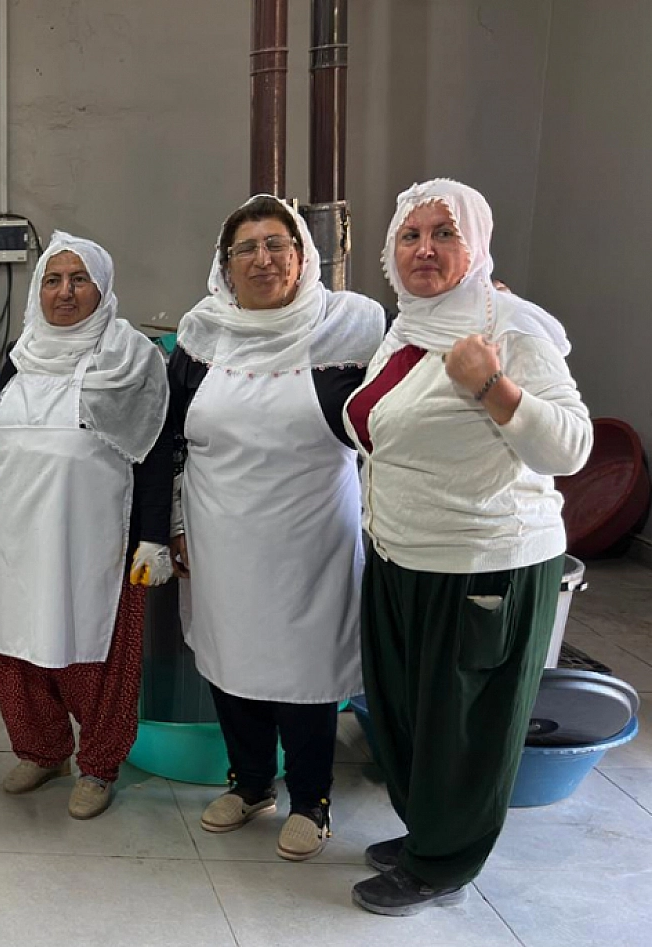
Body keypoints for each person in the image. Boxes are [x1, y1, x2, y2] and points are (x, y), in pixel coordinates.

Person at [346, 179, 591, 915]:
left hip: (483, 561)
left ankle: (443, 861)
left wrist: (494, 386)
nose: (424, 248)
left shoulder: (509, 326)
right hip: (401, 553)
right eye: (410, 235)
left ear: (475, 245)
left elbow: (572, 447)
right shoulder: (410, 323)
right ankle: (432, 829)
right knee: (406, 713)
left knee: (464, 723)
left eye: (444, 233)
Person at [167, 195, 386, 860]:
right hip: (220, 531)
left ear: (303, 256)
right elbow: (170, 438)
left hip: (312, 535)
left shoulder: (353, 330)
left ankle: (312, 799)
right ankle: (251, 781)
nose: (262, 259)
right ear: (225, 264)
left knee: (305, 669)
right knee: (232, 659)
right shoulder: (201, 334)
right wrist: (174, 521)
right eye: (246, 248)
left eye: (277, 245)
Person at [0, 232, 172, 819]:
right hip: (17, 537)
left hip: (97, 541)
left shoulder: (131, 358)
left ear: (103, 287)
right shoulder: (19, 355)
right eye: (52, 279)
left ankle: (98, 765)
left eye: (78, 280)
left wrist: (153, 537)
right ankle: (41, 750)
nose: (64, 292)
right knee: (20, 646)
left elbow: (155, 451)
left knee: (94, 655)